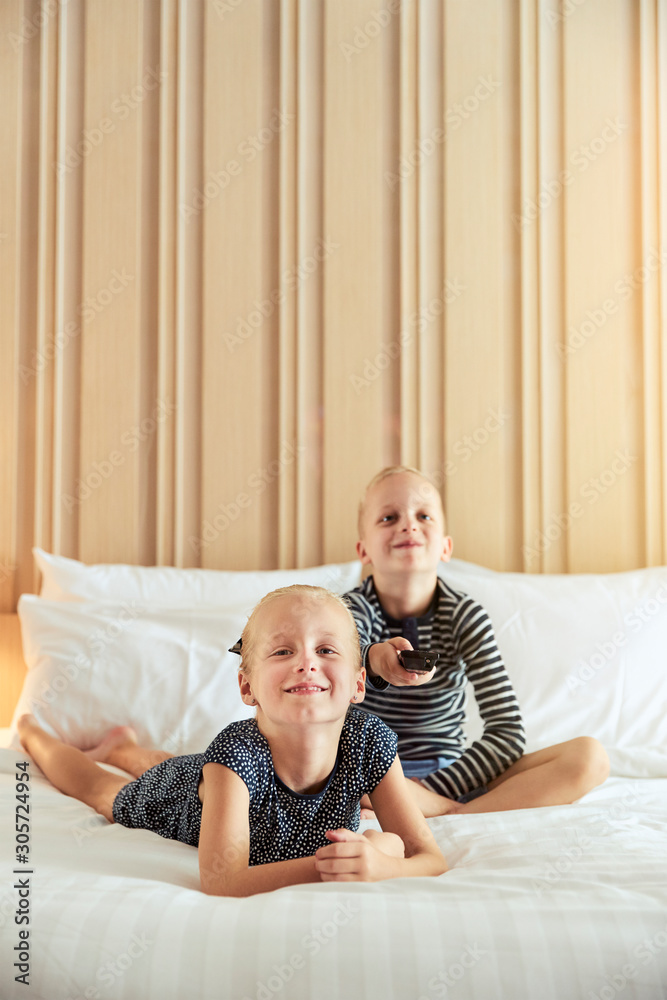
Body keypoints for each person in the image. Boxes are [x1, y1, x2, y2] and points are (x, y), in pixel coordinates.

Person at [17, 584, 446, 896]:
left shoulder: (370, 744)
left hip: (213, 778)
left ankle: (122, 747)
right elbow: (223, 881)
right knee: (104, 791)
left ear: (358, 684)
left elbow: (429, 857)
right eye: (282, 652)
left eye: (327, 650)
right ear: (247, 688)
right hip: (184, 797)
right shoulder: (236, 755)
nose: (306, 664)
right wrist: (332, 868)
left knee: (381, 843)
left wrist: (384, 867)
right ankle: (33, 732)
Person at [345, 466, 610, 818]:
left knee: (590, 757)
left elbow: (507, 732)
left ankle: (451, 813)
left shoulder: (464, 615)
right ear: (364, 551)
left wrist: (430, 792)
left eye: (423, 515)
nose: (408, 525)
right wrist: (375, 659)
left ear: (446, 546)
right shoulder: (347, 611)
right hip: (372, 776)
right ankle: (422, 806)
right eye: (389, 517)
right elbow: (343, 654)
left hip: (451, 779)